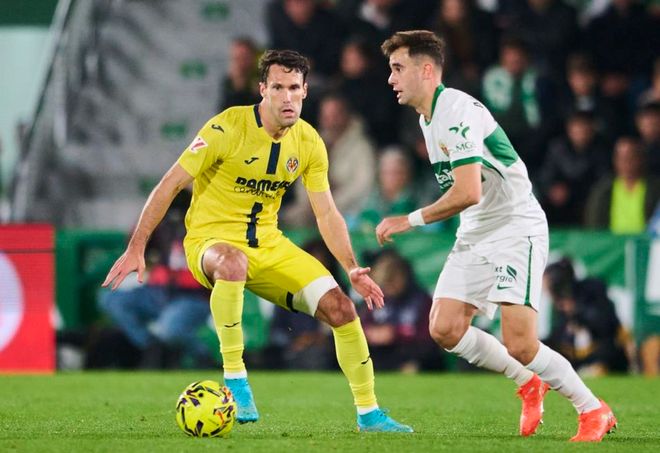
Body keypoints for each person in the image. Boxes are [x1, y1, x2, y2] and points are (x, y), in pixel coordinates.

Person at [102, 49, 412, 433]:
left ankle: (369, 414)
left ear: (305, 91)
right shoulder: (226, 128)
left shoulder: (308, 142)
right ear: (262, 89)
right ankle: (236, 380)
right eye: (278, 87)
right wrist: (137, 246)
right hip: (210, 241)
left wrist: (351, 266)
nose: (287, 97)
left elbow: (327, 213)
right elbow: (170, 184)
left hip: (268, 245)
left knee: (342, 308)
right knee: (233, 262)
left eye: (294, 88)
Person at [378, 30, 616, 442]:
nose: (391, 78)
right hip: (477, 229)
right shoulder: (426, 119)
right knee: (444, 328)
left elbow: (468, 192)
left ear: (427, 70)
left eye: (398, 68)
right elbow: (471, 196)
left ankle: (593, 409)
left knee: (521, 342)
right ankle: (528, 381)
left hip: (514, 226)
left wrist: (410, 220)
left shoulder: (457, 111)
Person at [99, 190, 212, 369]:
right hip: (157, 293)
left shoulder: (206, 225)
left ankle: (203, 354)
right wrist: (151, 215)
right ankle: (151, 346)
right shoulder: (163, 226)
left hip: (192, 297)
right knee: (112, 299)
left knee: (168, 329)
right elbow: (135, 245)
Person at [543, 258, 629, 375]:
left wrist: (576, 312)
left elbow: (605, 326)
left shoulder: (592, 290)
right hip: (577, 357)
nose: (544, 288)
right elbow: (558, 336)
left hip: (604, 353)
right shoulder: (561, 305)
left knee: (605, 352)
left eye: (546, 282)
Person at [584, 137, 660, 233]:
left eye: (631, 158)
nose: (626, 163)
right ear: (615, 160)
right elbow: (594, 224)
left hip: (646, 241)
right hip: (611, 242)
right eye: (622, 158)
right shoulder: (603, 190)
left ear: (641, 159)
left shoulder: (655, 188)